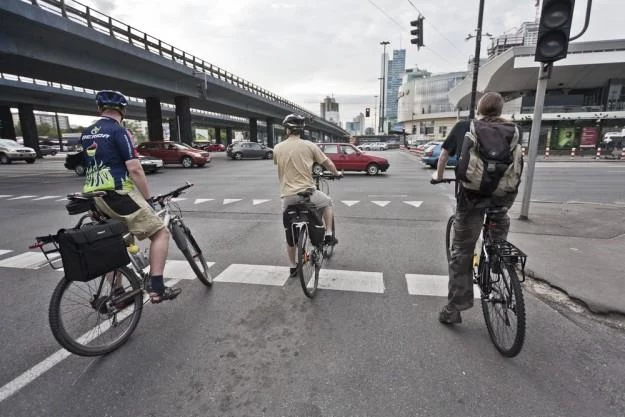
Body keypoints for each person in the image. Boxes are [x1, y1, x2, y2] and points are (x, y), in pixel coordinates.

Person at [80, 90, 181, 303]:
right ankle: (157, 288)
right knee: (160, 233)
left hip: (94, 196)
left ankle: (117, 292)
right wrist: (148, 198)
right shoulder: (119, 131)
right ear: (123, 110)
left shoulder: (87, 132)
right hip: (118, 193)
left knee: (114, 241)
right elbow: (135, 168)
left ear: (99, 109)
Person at [431, 92, 520, 324]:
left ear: (479, 108)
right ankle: (497, 262)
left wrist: (438, 177)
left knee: (461, 251)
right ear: (500, 110)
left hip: (471, 197)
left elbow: (443, 157)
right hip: (502, 196)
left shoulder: (464, 126)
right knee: (499, 224)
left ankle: (454, 309)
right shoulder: (512, 130)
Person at [273, 114, 342, 277]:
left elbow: (278, 163)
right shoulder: (310, 146)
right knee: (327, 202)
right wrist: (336, 172)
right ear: (301, 130)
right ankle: (328, 234)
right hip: (308, 193)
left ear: (287, 129)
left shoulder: (277, 148)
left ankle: (292, 266)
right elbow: (328, 163)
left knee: (289, 234)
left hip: (287, 197)